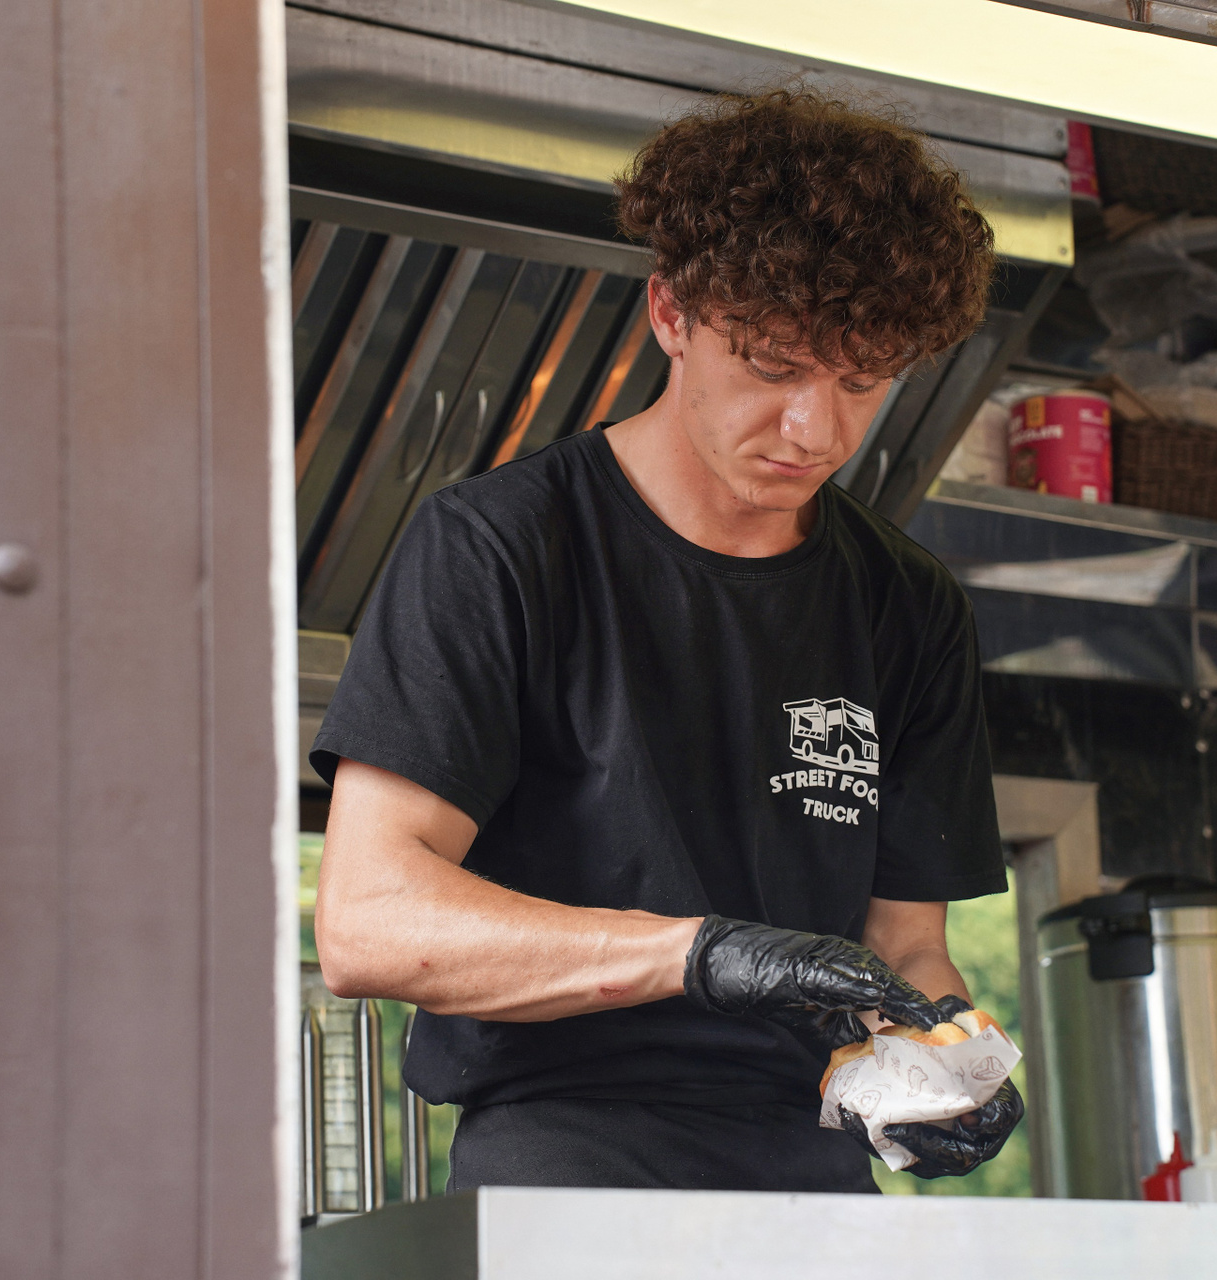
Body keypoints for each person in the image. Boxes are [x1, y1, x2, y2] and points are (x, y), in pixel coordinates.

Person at [311, 87, 1021, 1194]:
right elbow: (367, 921)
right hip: (567, 1164)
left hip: (817, 1177)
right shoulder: (501, 547)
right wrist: (698, 956)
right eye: (775, 364)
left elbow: (905, 947)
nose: (816, 428)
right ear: (672, 314)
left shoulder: (908, 604)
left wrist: (954, 1060)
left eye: (862, 380)